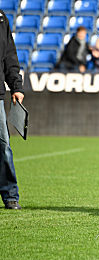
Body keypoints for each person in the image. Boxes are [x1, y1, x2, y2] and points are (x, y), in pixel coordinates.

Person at [0, 10, 24, 209]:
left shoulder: (1, 18)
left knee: (3, 145)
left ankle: (10, 195)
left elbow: (9, 55)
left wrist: (16, 86)